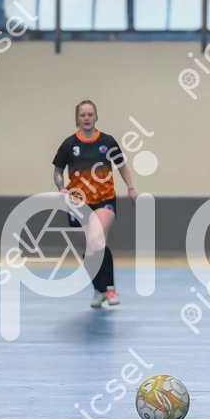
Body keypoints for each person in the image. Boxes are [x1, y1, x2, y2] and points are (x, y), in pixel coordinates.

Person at [52, 100, 138, 308]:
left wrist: (130, 187)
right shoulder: (69, 144)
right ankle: (98, 290)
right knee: (88, 250)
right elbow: (57, 172)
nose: (87, 118)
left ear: (96, 117)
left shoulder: (107, 141)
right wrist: (61, 187)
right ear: (77, 119)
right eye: (83, 115)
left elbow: (121, 166)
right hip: (78, 203)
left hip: (104, 200)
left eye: (90, 114)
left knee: (97, 241)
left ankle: (110, 289)